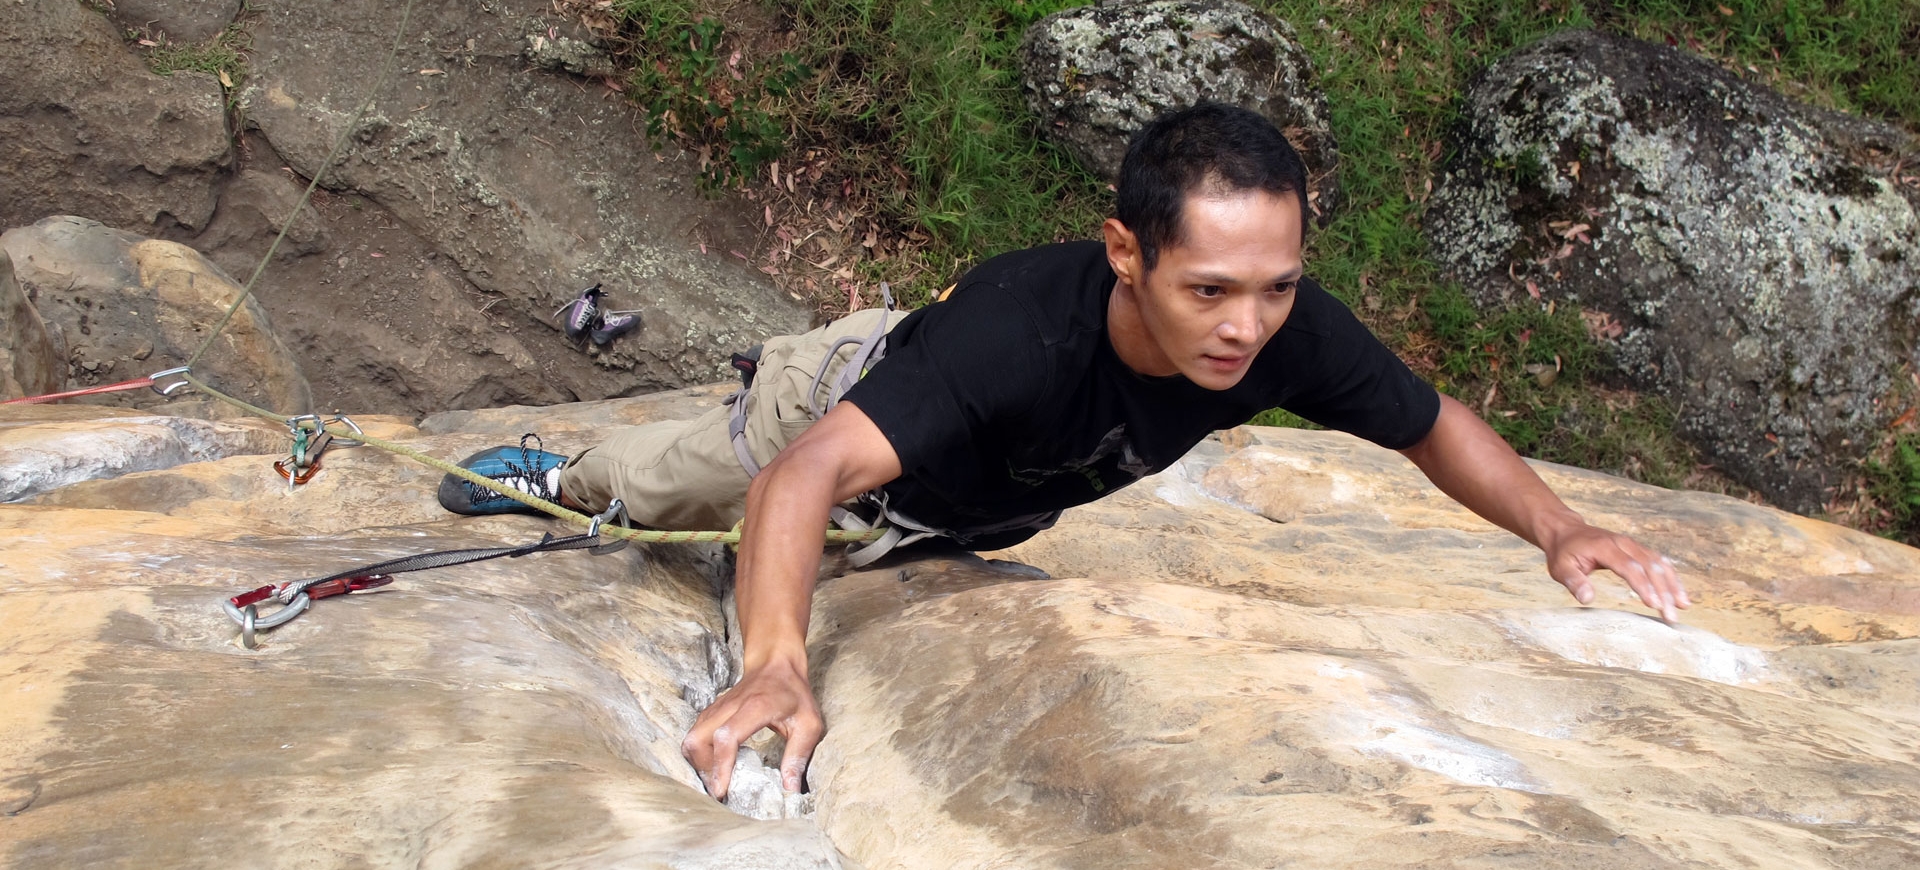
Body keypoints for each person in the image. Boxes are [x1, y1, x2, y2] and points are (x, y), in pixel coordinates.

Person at [439, 102, 1689, 803]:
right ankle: (555, 470)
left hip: (974, 501)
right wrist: (777, 666)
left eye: (1275, 286)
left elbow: (1430, 426)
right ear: (1125, 252)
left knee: (886, 536)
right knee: (668, 491)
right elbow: (801, 477)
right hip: (841, 409)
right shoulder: (1015, 335)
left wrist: (1559, 528)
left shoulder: (1278, 332)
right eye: (1210, 288)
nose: (1246, 326)